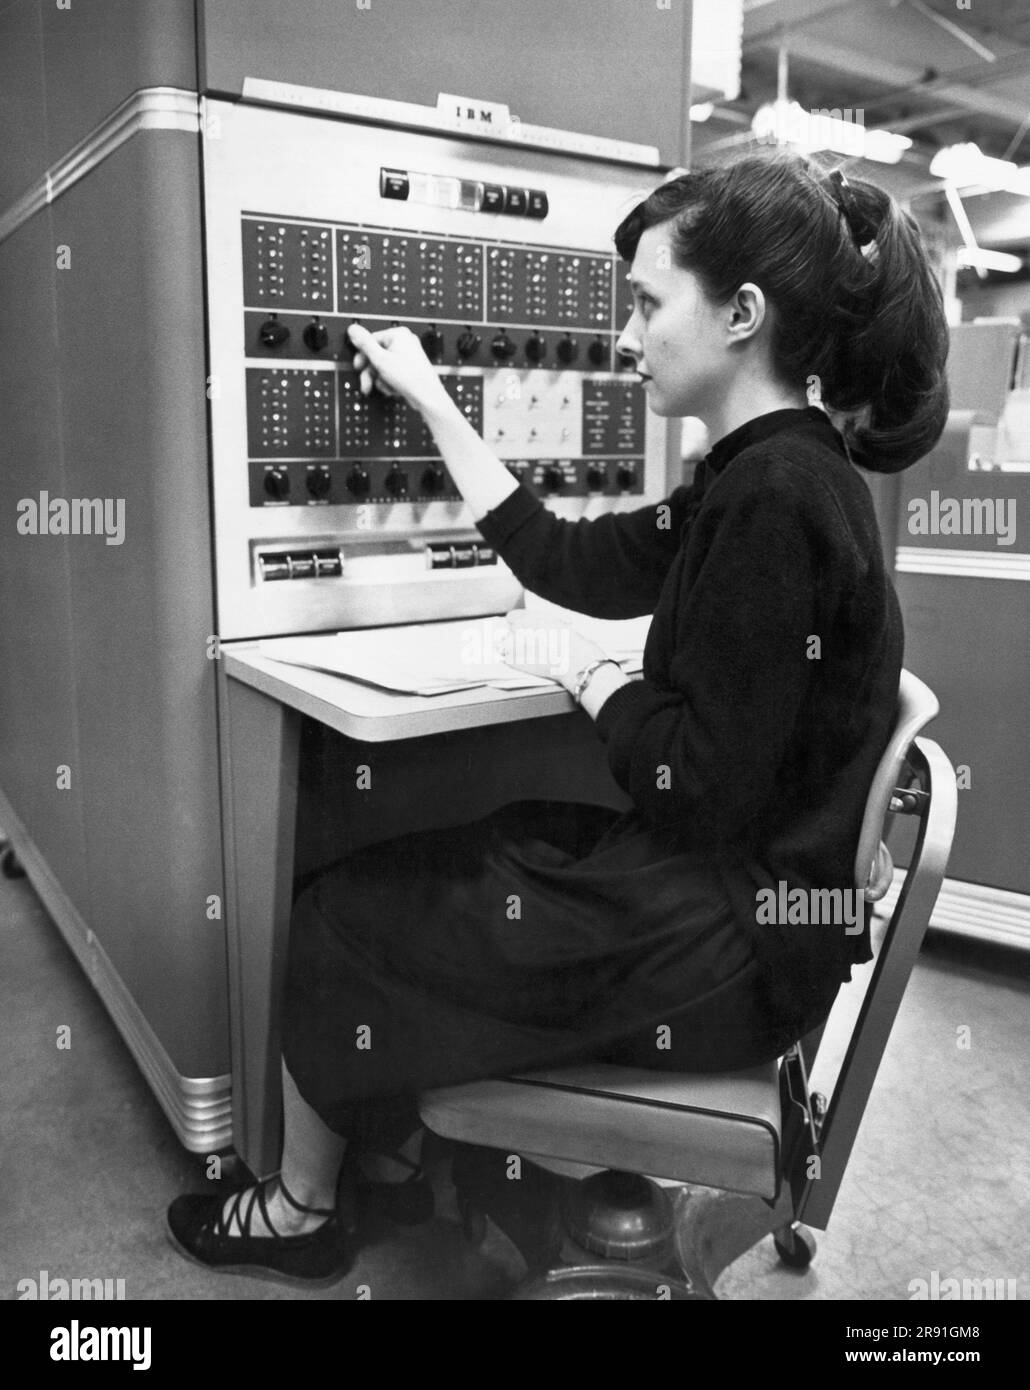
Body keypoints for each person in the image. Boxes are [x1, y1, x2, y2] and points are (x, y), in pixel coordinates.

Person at [167, 152, 949, 1284]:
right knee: (469, 845)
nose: (625, 339)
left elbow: (692, 777)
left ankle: (303, 1211)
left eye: (645, 302)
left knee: (342, 906)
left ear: (740, 314)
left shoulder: (775, 501)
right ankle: (383, 1140)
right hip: (734, 905)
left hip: (721, 946)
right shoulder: (770, 472)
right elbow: (571, 556)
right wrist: (433, 395)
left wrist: (591, 680)